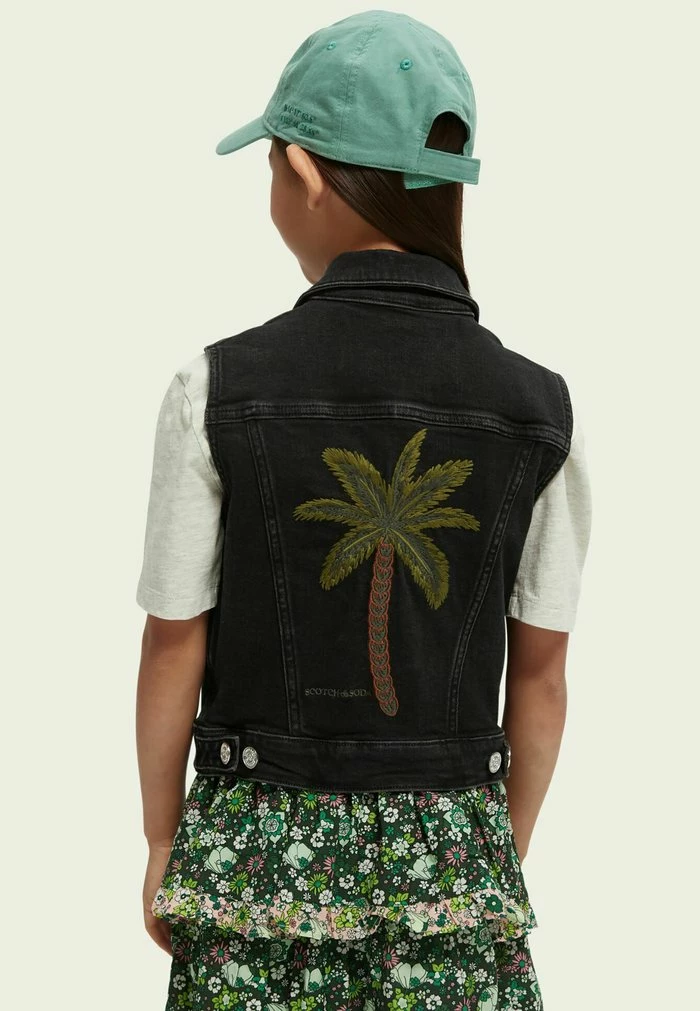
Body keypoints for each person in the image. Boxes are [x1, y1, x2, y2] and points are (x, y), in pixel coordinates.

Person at [136, 10, 592, 1010]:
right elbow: (543, 676)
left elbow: (173, 641)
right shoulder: (541, 412)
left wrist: (165, 841)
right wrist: (488, 857)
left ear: (302, 175)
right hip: (453, 852)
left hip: (251, 864)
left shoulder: (214, 388)